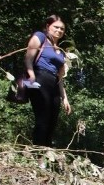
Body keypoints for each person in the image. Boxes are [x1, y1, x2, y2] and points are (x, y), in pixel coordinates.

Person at [24, 14, 71, 146]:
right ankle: (38, 155)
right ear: (47, 26)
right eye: (56, 27)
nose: (59, 30)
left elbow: (60, 77)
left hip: (54, 84)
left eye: (62, 29)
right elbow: (28, 58)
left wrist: (65, 98)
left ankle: (47, 153)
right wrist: (31, 75)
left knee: (52, 120)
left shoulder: (61, 51)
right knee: (42, 118)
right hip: (39, 78)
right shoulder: (40, 37)